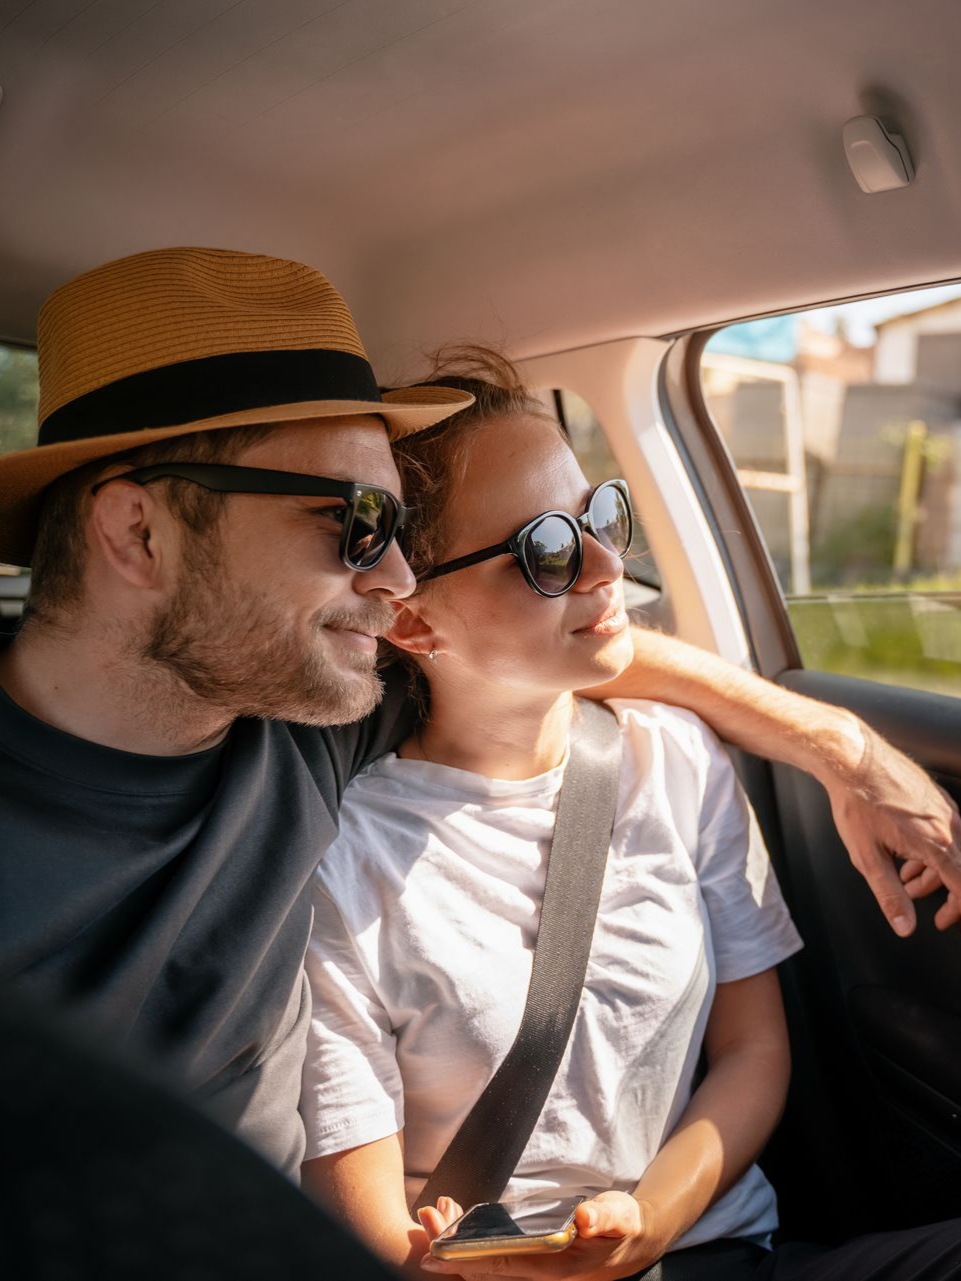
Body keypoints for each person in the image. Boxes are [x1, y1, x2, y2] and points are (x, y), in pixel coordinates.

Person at [0, 249, 957, 1181]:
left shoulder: (300, 725)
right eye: (353, 525)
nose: (397, 578)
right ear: (137, 532)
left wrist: (845, 748)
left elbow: (580, 656)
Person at [298, 350, 961, 1281]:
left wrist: (652, 1218)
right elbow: (368, 1228)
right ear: (410, 621)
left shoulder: (675, 755)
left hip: (722, 1252)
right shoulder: (342, 859)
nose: (611, 566)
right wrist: (457, 1256)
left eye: (599, 515)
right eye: (547, 548)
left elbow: (751, 1048)